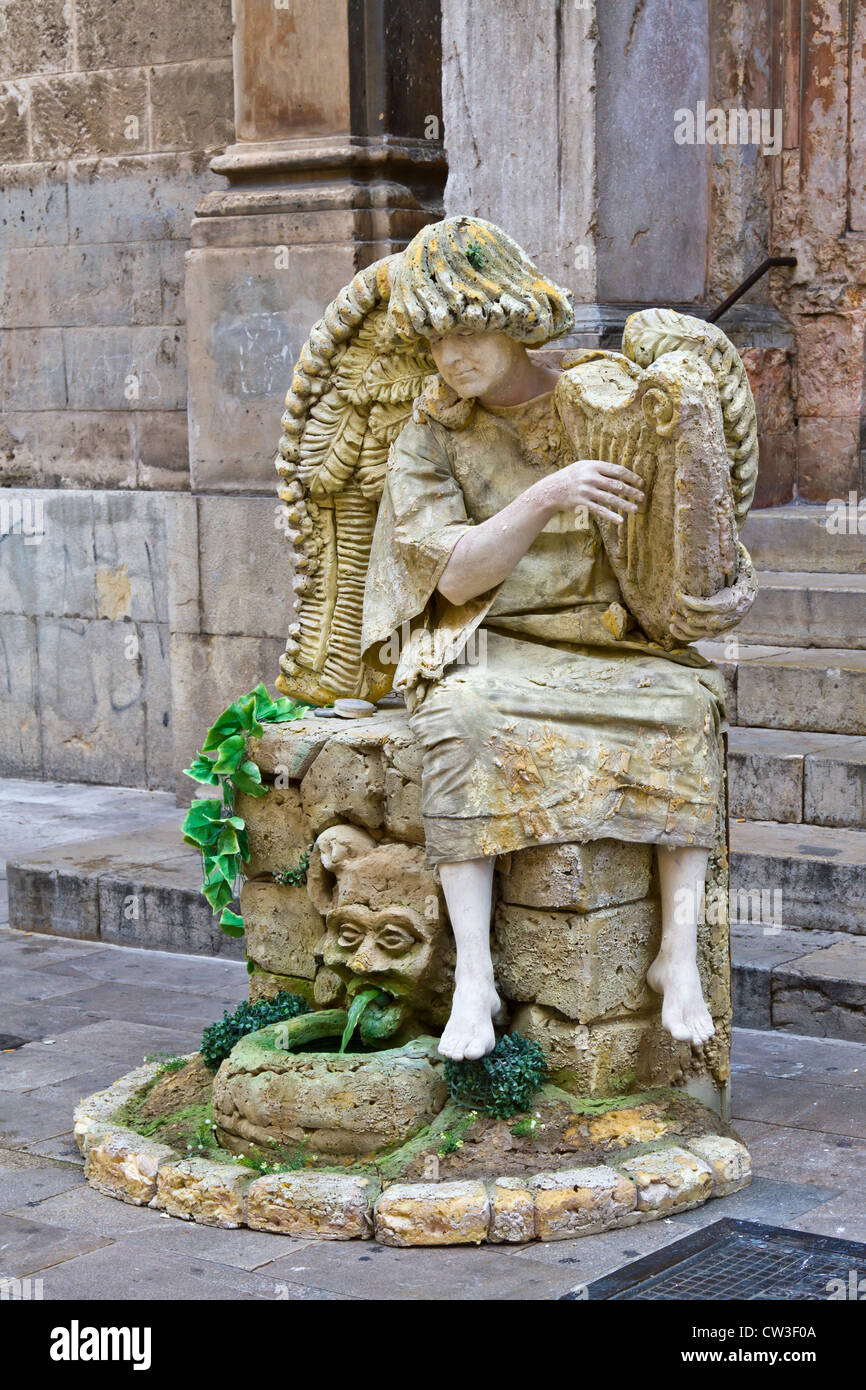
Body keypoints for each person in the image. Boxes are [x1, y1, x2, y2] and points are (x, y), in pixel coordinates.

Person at [361, 216, 752, 1061]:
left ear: (512, 319)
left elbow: (680, 516)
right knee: (459, 721)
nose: (453, 356)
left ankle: (674, 962)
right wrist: (543, 497)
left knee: (686, 709)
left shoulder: (603, 395)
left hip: (613, 643)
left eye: (469, 331)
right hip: (496, 642)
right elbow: (455, 577)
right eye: (435, 340)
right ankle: (473, 977)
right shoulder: (429, 437)